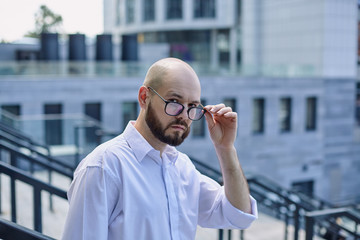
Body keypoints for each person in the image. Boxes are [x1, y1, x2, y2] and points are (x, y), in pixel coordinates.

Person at [62, 58, 258, 240]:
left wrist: (225, 148)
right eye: (174, 102)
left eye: (192, 106)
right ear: (144, 97)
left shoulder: (182, 168)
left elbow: (239, 215)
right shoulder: (103, 167)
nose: (183, 115)